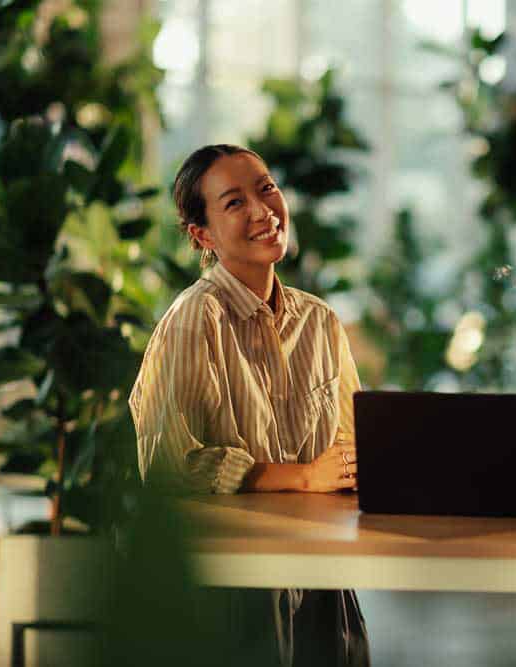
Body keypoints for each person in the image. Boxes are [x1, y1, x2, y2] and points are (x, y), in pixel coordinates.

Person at [129, 144, 369, 667]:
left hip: (324, 579)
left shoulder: (320, 322)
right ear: (203, 235)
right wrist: (302, 476)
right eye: (234, 202)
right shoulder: (195, 319)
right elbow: (170, 465)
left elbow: (353, 447)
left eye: (266, 188)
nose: (263, 211)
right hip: (233, 587)